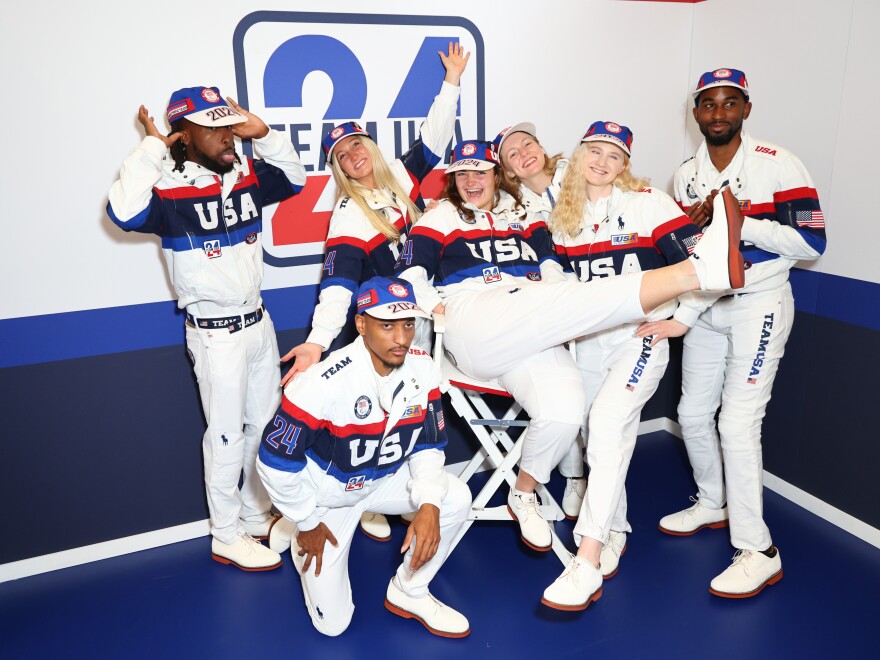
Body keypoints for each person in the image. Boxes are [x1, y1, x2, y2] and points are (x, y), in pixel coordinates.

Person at [396, 139, 745, 567]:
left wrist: (556, 288)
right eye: (462, 174)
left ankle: (522, 493)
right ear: (453, 179)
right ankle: (697, 270)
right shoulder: (441, 215)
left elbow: (551, 269)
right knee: (557, 300)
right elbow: (410, 273)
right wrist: (434, 306)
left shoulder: (525, 213)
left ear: (495, 174)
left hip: (534, 318)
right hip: (474, 317)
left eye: (479, 171)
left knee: (566, 411)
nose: (471, 180)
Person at [638, 68, 827, 598]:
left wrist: (741, 222)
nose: (717, 113)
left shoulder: (779, 163)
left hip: (759, 305)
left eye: (729, 104)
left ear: (746, 109)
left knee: (736, 423)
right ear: (695, 112)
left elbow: (813, 243)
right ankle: (712, 501)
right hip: (708, 306)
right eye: (708, 104)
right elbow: (692, 255)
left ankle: (758, 549)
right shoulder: (685, 174)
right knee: (693, 414)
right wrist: (686, 307)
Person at [107, 87, 307, 570]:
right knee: (225, 436)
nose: (227, 135)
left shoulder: (245, 172)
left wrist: (266, 135)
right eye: (214, 127)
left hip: (259, 321)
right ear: (185, 135)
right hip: (215, 332)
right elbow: (123, 211)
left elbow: (296, 181)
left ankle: (257, 514)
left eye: (229, 124)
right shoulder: (167, 188)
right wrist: (154, 147)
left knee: (264, 426)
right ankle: (225, 533)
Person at [280, 42, 470, 543]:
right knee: (374, 419)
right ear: (340, 169)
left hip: (415, 322)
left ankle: (389, 494)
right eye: (342, 155)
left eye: (358, 145)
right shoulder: (349, 214)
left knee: (409, 414)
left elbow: (434, 137)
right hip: (373, 337)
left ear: (372, 148)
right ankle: (348, 500)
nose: (353, 155)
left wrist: (451, 82)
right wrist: (318, 343)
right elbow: (337, 289)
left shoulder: (401, 183)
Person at [257, 276, 472, 638]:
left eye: (408, 323)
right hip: (328, 497)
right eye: (387, 325)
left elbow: (428, 446)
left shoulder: (423, 367)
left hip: (380, 481)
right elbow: (273, 462)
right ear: (361, 324)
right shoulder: (321, 382)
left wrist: (430, 504)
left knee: (454, 497)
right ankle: (295, 527)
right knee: (333, 626)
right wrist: (307, 521)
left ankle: (410, 590)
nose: (402, 337)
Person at [541, 121, 701, 604]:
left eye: (614, 155)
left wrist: (685, 318)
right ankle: (614, 528)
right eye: (595, 150)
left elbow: (702, 260)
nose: (602, 162)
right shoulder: (565, 214)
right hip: (589, 341)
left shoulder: (647, 202)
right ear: (579, 153)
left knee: (609, 422)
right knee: (598, 434)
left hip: (639, 338)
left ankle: (586, 556)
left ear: (625, 165)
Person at [493, 123, 586, 519]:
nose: (523, 153)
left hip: (597, 291)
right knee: (570, 387)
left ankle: (589, 483)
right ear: (509, 170)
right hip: (555, 301)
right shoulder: (510, 206)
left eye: (527, 143)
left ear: (541, 146)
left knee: (594, 399)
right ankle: (574, 475)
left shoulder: (578, 174)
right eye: (512, 153)